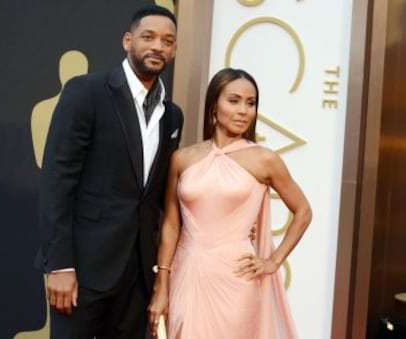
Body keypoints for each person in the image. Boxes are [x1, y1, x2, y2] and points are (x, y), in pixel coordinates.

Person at [35, 5, 183, 339]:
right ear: (128, 40)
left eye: (167, 41)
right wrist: (60, 264)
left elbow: (154, 198)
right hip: (83, 271)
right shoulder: (87, 92)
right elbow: (57, 182)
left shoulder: (172, 115)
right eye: (149, 37)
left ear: (174, 50)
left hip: (137, 278)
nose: (158, 46)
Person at [147, 68, 312, 338]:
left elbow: (303, 211)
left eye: (251, 103)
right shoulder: (183, 158)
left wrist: (273, 261)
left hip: (237, 280)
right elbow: (170, 225)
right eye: (233, 101)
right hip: (186, 275)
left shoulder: (264, 159)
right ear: (214, 104)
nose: (243, 111)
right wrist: (161, 283)